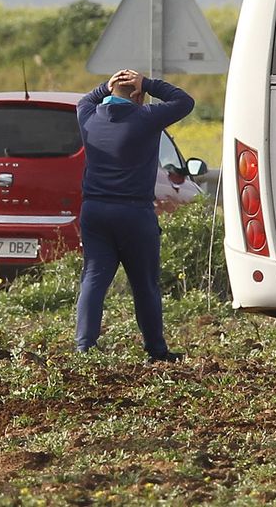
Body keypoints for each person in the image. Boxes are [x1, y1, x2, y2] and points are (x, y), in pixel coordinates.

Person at [74, 68, 194, 362]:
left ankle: (84, 346)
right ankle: (156, 350)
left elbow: (86, 100)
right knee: (144, 285)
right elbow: (184, 101)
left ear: (112, 91)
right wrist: (148, 83)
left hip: (94, 210)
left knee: (93, 278)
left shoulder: (89, 116)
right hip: (133, 212)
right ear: (139, 96)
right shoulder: (147, 118)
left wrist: (106, 85)